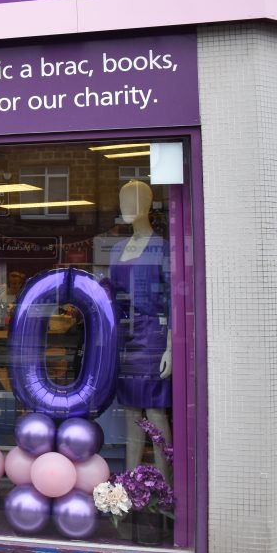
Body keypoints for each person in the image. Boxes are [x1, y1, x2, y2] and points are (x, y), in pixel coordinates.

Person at [110, 179, 172, 476]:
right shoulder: (117, 249)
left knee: (155, 409)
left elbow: (172, 298)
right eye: (122, 200)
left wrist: (171, 347)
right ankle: (130, 482)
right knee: (131, 411)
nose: (124, 206)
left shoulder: (161, 247)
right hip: (126, 335)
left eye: (131, 200)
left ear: (146, 205)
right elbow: (113, 293)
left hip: (152, 335)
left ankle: (167, 485)